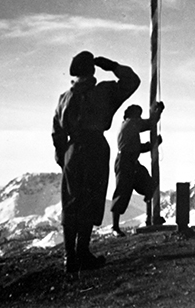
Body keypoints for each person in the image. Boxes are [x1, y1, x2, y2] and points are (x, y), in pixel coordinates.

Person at [52, 51, 140, 273]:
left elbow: (57, 132)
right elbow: (133, 81)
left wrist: (63, 156)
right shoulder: (105, 91)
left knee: (71, 201)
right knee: (91, 199)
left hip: (72, 150)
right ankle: (83, 253)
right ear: (92, 71)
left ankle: (70, 257)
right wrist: (112, 65)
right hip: (95, 147)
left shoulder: (64, 98)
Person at [111, 102, 164, 236]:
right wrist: (158, 111)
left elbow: (137, 147)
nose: (140, 118)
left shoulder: (129, 126)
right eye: (138, 115)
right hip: (125, 162)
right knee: (122, 193)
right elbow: (151, 123)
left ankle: (150, 217)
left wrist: (153, 144)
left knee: (149, 184)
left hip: (131, 162)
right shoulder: (130, 123)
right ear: (133, 115)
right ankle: (115, 227)